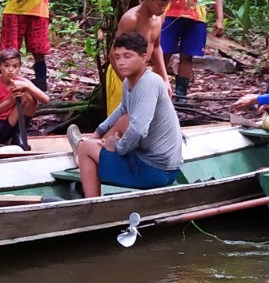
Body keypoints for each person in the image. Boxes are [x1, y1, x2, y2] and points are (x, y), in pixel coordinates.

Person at [67, 31, 184, 197]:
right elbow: (123, 109)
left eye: (127, 56)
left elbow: (138, 130)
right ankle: (93, 148)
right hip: (155, 164)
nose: (121, 62)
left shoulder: (149, 83)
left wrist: (119, 147)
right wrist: (98, 132)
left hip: (156, 170)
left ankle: (91, 204)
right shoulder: (129, 82)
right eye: (118, 57)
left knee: (85, 148)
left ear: (144, 57)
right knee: (124, 119)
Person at [106, 0, 173, 116]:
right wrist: (129, 85)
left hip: (141, 74)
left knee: (141, 119)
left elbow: (155, 47)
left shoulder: (159, 17)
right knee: (119, 122)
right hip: (122, 73)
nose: (163, 9)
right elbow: (113, 54)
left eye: (166, 5)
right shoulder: (131, 19)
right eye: (160, 5)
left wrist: (165, 79)